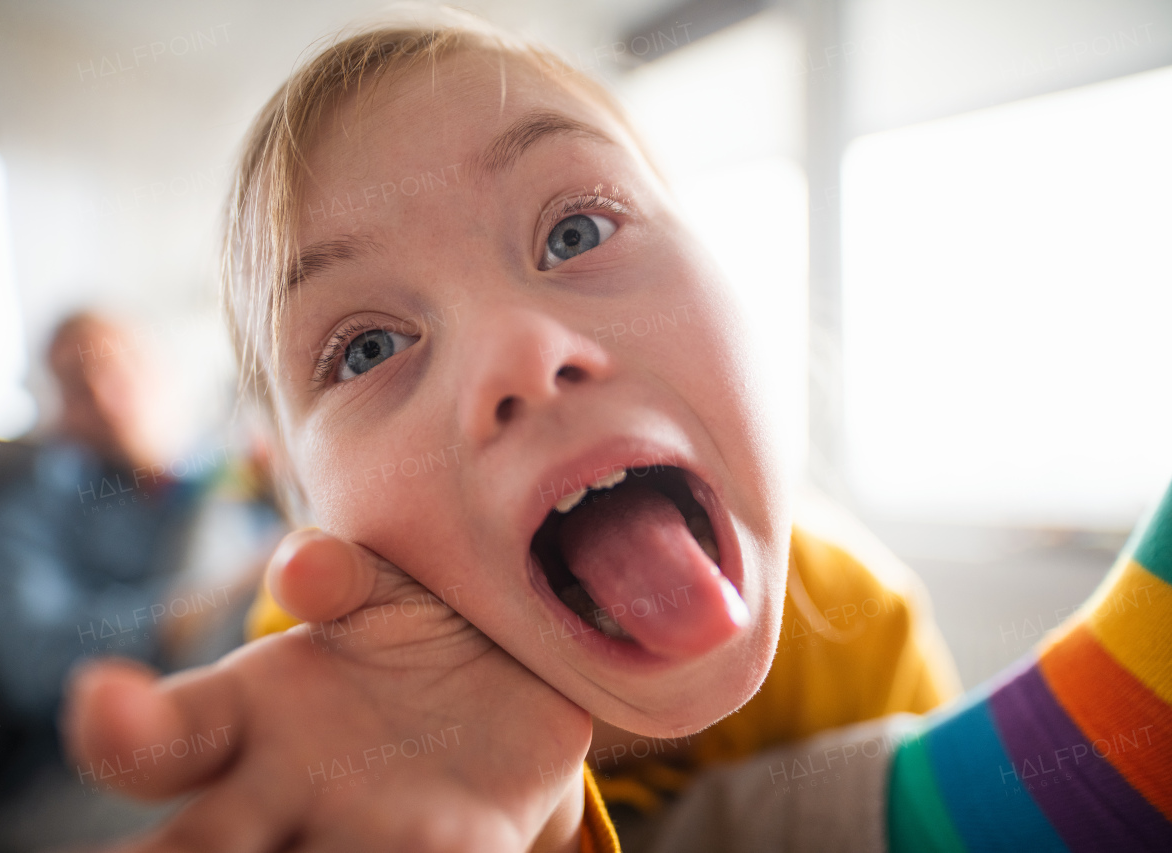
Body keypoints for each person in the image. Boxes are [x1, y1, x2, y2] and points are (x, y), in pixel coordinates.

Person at [62, 11, 1171, 852]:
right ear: (303, 509)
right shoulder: (333, 670)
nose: (518, 351)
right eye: (365, 349)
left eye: (577, 227)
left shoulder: (860, 617)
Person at [0, 313, 264, 765]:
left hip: (255, 696)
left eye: (119, 369)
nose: (104, 397)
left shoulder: (230, 473)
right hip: (106, 760)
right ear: (51, 408)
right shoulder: (27, 513)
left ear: (162, 374)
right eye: (76, 385)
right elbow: (32, 663)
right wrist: (186, 614)